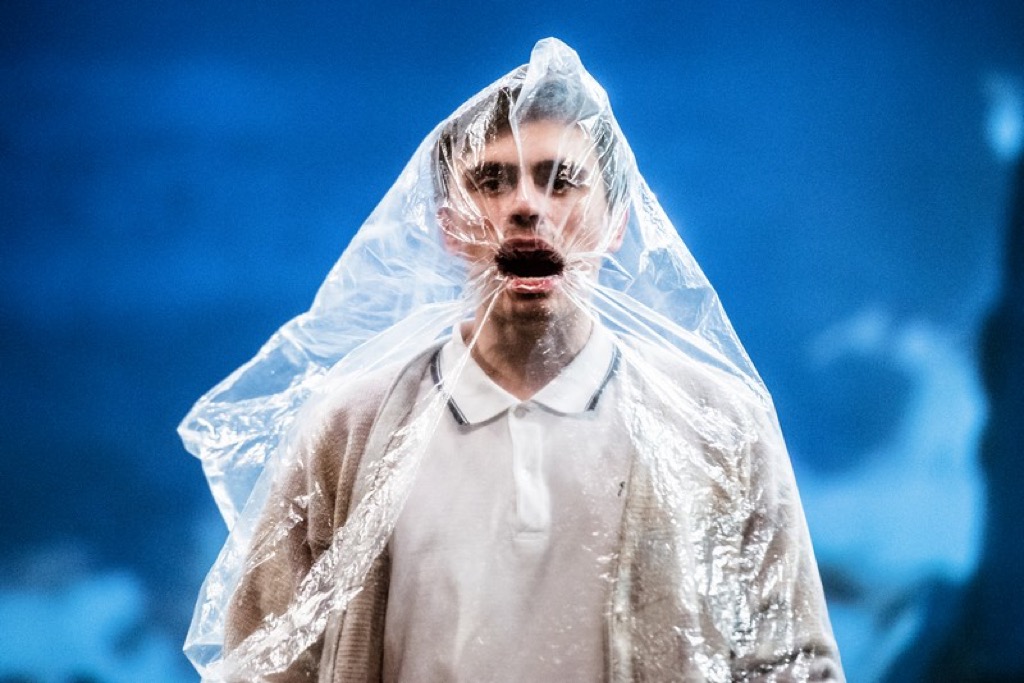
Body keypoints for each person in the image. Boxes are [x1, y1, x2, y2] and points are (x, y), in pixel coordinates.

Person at [181, 38, 844, 683]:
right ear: (448, 224)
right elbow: (265, 662)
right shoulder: (350, 428)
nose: (526, 205)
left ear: (617, 222)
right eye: (492, 180)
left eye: (561, 180)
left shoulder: (715, 424)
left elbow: (792, 662)